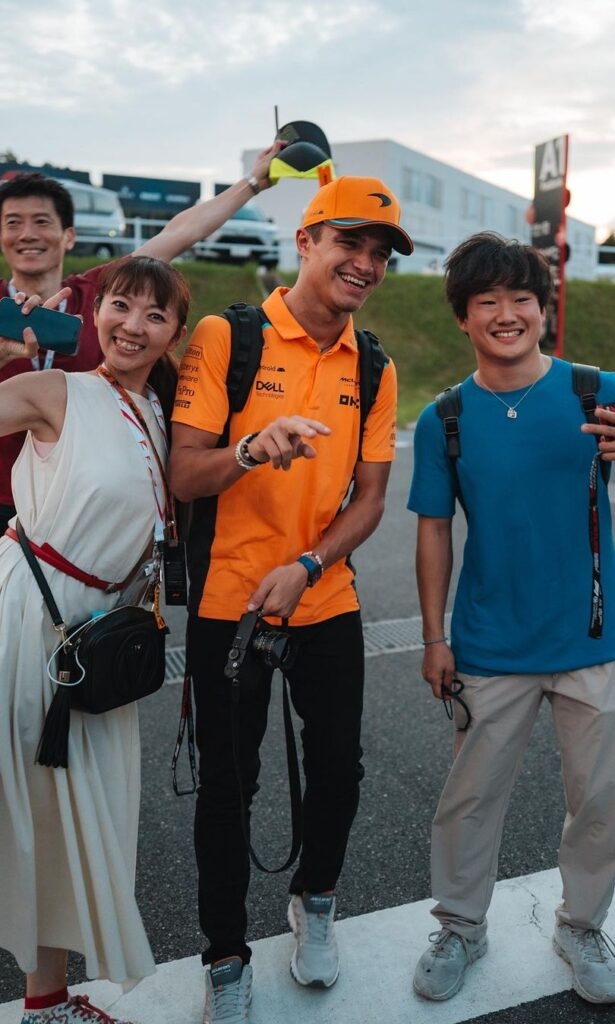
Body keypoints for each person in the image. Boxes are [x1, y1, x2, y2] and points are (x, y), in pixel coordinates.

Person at [408, 232, 615, 1006]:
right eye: (487, 302)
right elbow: (434, 529)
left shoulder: (595, 391)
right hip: (489, 644)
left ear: (544, 309)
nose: (507, 314)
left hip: (594, 639)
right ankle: (461, 926)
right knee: (469, 798)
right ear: (463, 319)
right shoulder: (445, 419)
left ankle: (582, 925)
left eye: (521, 299)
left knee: (597, 799)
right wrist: (434, 637)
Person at [168, 176, 413, 1024]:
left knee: (338, 772)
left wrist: (308, 565)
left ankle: (315, 903)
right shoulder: (225, 335)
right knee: (228, 788)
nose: (366, 264)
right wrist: (247, 451)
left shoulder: (372, 364)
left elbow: (371, 499)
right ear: (306, 241)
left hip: (323, 598)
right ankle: (226, 957)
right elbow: (183, 470)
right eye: (351, 243)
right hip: (227, 605)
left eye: (381, 254)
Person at [0, 256, 190, 1023]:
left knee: (65, 815)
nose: (132, 325)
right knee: (22, 807)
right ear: (92, 312)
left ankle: (45, 999)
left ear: (175, 333)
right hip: (30, 621)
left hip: (98, 645)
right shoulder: (57, 390)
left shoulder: (156, 412)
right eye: (119, 305)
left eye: (155, 315)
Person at [0, 143, 281, 531]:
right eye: (13, 222)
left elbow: (180, 232)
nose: (27, 234)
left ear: (69, 236)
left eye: (42, 222)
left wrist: (252, 182)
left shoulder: (105, 292)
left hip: (80, 510)